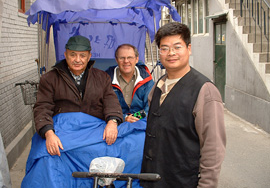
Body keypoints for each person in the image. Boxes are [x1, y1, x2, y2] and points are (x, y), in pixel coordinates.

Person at [141, 22, 226, 188]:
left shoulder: (204, 91)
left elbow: (213, 148)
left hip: (183, 181)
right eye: (164, 48)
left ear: (189, 48)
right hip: (153, 179)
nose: (171, 53)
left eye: (177, 47)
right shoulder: (158, 85)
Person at [34, 35, 123, 156]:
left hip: (94, 129)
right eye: (73, 55)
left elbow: (111, 101)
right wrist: (49, 133)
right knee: (45, 154)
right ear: (65, 55)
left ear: (89, 57)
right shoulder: (49, 78)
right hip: (62, 131)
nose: (77, 59)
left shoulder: (102, 77)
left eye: (82, 55)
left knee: (120, 147)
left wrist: (112, 122)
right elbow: (43, 107)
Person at [106, 44, 154, 123]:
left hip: (141, 122)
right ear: (116, 60)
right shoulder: (106, 79)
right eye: (122, 58)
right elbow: (102, 106)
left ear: (137, 59)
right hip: (115, 122)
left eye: (130, 57)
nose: (126, 61)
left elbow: (150, 107)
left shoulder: (147, 79)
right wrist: (124, 117)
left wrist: (134, 118)